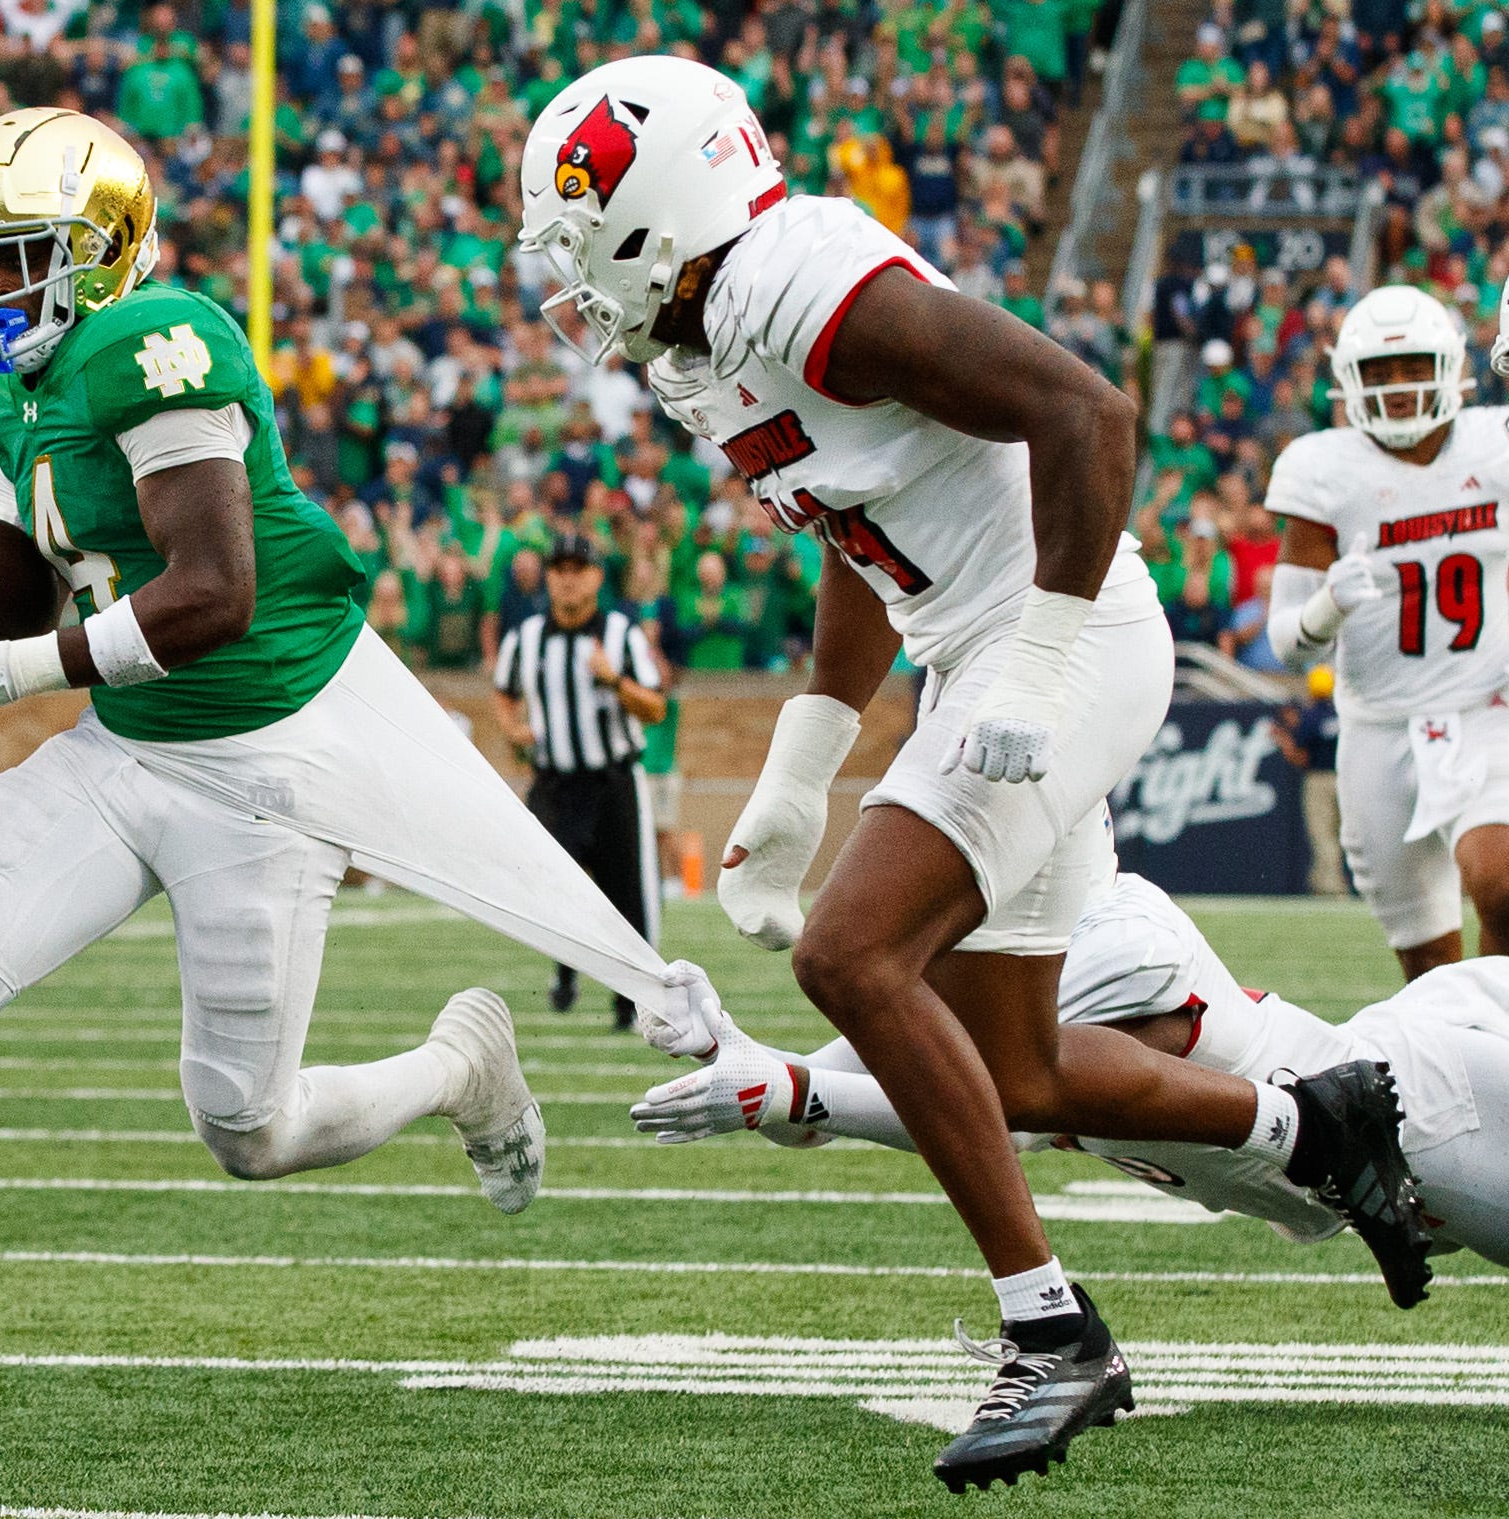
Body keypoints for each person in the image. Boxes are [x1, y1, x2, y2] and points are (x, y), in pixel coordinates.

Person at [517, 56, 1431, 1490]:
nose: (569, 276)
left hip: (1054, 637)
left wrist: (1039, 652)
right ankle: (1318, 1116)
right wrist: (802, 760)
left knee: (849, 953)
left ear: (663, 205)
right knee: (1014, 1064)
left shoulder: (789, 279)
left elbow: (1086, 414)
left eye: (579, 236)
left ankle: (1052, 1332)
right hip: (977, 650)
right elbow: (854, 526)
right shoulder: (706, 339)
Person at [0, 107, 725, 1442]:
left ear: (103, 252)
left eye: (18, 256)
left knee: (247, 1130)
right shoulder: (18, 378)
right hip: (126, 752)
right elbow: (57, 554)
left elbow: (210, 589)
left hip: (261, 761)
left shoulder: (166, 343)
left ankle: (458, 1065)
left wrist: (13, 673)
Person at [640, 871, 1509, 1273]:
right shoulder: (968, 964)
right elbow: (811, 1115)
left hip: (1429, 1108)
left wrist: (781, 1088)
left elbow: (983, 1106)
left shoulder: (1118, 939)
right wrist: (730, 1048)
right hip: (1396, 1147)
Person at [1264, 286, 1509, 980]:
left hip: (1482, 708)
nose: (1398, 386)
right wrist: (1325, 610)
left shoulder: (1494, 445)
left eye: (1412, 366)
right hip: (1376, 727)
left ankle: (1495, 1036)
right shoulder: (1324, 470)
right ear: (1348, 378)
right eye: (1378, 371)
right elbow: (1288, 641)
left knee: (1500, 883)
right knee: (1426, 966)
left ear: (1451, 364)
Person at [493, 531, 669, 1030]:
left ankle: (631, 1003)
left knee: (627, 893)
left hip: (613, 782)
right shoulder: (524, 638)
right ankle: (566, 972)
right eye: (558, 570)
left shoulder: (621, 633)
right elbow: (503, 693)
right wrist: (512, 729)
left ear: (596, 577)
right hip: (554, 782)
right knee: (550, 887)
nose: (567, 580)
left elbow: (655, 707)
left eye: (578, 570)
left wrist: (614, 680)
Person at [1275, 665, 1347, 896]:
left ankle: (1331, 886)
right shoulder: (1344, 713)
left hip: (1319, 779)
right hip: (1345, 779)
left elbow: (1300, 756)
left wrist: (1283, 739)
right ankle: (1324, 881)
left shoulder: (1312, 715)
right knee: (1341, 834)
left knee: (1323, 834)